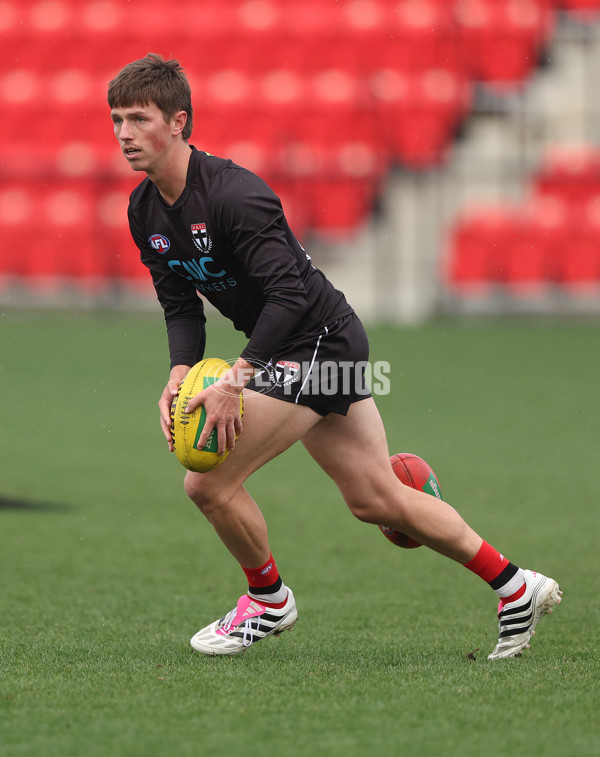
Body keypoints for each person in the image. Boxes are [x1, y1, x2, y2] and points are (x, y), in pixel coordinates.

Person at [107, 54, 562, 660]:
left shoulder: (236, 195)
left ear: (180, 123)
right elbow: (181, 308)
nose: (124, 133)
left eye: (139, 118)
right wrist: (179, 375)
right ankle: (515, 585)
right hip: (304, 346)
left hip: (318, 342)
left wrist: (237, 379)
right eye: (116, 119)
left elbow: (289, 295)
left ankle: (267, 601)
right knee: (377, 498)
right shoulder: (144, 212)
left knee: (208, 482)